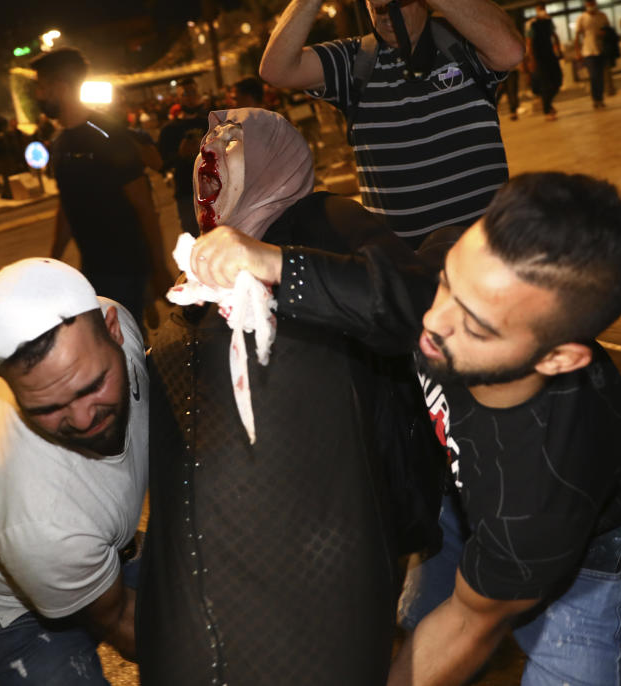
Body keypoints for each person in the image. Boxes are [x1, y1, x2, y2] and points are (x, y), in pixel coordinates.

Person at [185, 172, 621, 686]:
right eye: (449, 282)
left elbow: (466, 623)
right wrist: (266, 260)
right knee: (417, 619)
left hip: (588, 549)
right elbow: (392, 290)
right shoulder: (457, 292)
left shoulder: (537, 496)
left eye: (475, 326)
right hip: (464, 487)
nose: (434, 321)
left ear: (558, 357)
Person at [137, 108, 443, 685]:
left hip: (344, 503)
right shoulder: (209, 246)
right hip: (265, 518)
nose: (209, 153)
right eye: (206, 142)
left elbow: (417, 301)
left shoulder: (324, 217)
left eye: (229, 142)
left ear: (271, 156)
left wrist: (280, 267)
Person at [0, 258, 148, 686]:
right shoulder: (39, 516)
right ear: (11, 393)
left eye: (92, 385)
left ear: (113, 329)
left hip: (91, 539)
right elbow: (121, 621)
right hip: (12, 609)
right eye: (48, 409)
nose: (85, 418)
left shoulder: (110, 314)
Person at [259, 0, 524, 248]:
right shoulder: (353, 61)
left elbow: (510, 51)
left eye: (396, 4)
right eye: (377, 7)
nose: (386, 17)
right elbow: (275, 71)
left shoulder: (462, 43)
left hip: (489, 249)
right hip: (407, 268)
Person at [30, 47, 172, 324]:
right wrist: (52, 260)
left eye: (41, 87)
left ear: (59, 87)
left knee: (122, 352)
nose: (38, 96)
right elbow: (68, 206)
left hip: (125, 268)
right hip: (93, 271)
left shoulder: (108, 134)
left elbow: (145, 206)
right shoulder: (59, 143)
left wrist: (159, 268)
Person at [157, 77, 209, 238]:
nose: (191, 97)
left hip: (216, 189)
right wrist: (180, 154)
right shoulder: (169, 130)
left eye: (193, 92)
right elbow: (161, 164)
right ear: (178, 98)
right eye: (186, 93)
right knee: (195, 241)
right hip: (187, 192)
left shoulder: (212, 120)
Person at [526, 3, 564, 121]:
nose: (542, 11)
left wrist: (558, 49)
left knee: (558, 80)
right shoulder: (532, 24)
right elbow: (529, 42)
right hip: (539, 57)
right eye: (540, 9)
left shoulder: (548, 22)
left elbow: (554, 35)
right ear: (536, 10)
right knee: (546, 84)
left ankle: (547, 103)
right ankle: (547, 110)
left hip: (551, 56)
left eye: (543, 9)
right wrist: (531, 59)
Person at [575, 0, 611, 109]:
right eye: (589, 3)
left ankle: (600, 98)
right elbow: (577, 36)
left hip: (601, 50)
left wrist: (605, 34)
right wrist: (578, 52)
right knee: (594, 75)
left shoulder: (602, 16)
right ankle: (596, 98)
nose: (591, 5)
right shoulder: (582, 18)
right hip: (588, 51)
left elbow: (609, 31)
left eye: (592, 3)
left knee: (600, 76)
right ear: (586, 4)